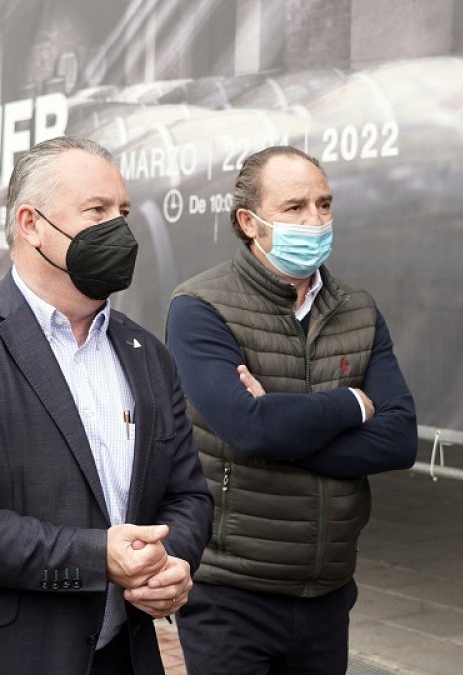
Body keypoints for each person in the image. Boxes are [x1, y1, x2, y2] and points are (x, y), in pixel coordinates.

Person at [0, 136, 212, 675]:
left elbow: (186, 495)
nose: (120, 230)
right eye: (97, 211)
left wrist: (172, 562)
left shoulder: (148, 355)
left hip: (119, 657)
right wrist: (92, 557)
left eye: (123, 212)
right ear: (31, 224)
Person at [165, 145, 417, 674]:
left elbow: (400, 440)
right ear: (248, 222)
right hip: (231, 593)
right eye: (295, 207)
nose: (316, 220)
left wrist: (280, 428)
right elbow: (249, 430)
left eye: (324, 204)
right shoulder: (200, 308)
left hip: (327, 589)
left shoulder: (359, 310)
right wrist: (353, 402)